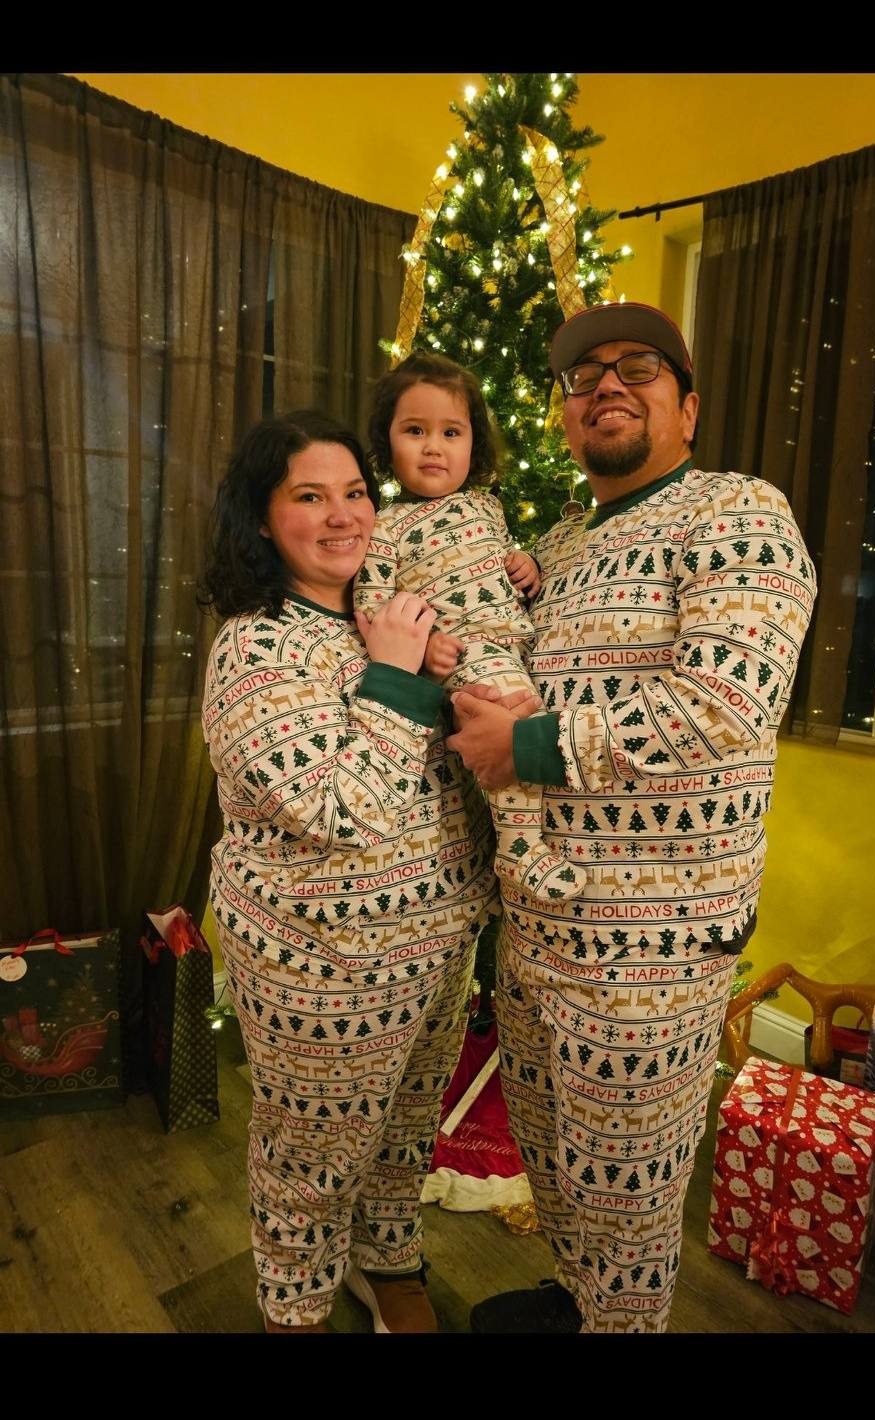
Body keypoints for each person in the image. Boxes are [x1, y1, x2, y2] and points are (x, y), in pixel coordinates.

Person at [446, 302, 817, 1333]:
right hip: (535, 927)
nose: (605, 384)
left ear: (686, 409)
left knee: (629, 1198)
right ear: (567, 416)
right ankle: (575, 1300)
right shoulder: (559, 543)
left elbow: (726, 704)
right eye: (583, 376)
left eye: (638, 368)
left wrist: (524, 748)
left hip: (652, 951)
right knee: (553, 1158)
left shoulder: (737, 512)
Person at [199, 409, 502, 1332]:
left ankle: (387, 1261)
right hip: (325, 968)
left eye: (357, 492)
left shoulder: (385, 614)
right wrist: (399, 673)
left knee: (407, 1129)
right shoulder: (253, 648)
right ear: (262, 519)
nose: (344, 516)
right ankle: (294, 1306)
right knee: (313, 1159)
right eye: (310, 496)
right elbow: (346, 811)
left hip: (439, 944)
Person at [355, 351, 585, 904]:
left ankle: (525, 837)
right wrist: (424, 647)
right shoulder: (385, 526)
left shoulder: (487, 508)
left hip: (515, 641)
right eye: (415, 431)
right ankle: (520, 846)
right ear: (387, 442)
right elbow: (371, 608)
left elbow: (503, 559)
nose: (433, 447)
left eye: (451, 432)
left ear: (473, 445)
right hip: (467, 652)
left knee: (533, 718)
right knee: (511, 720)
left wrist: (523, 564)